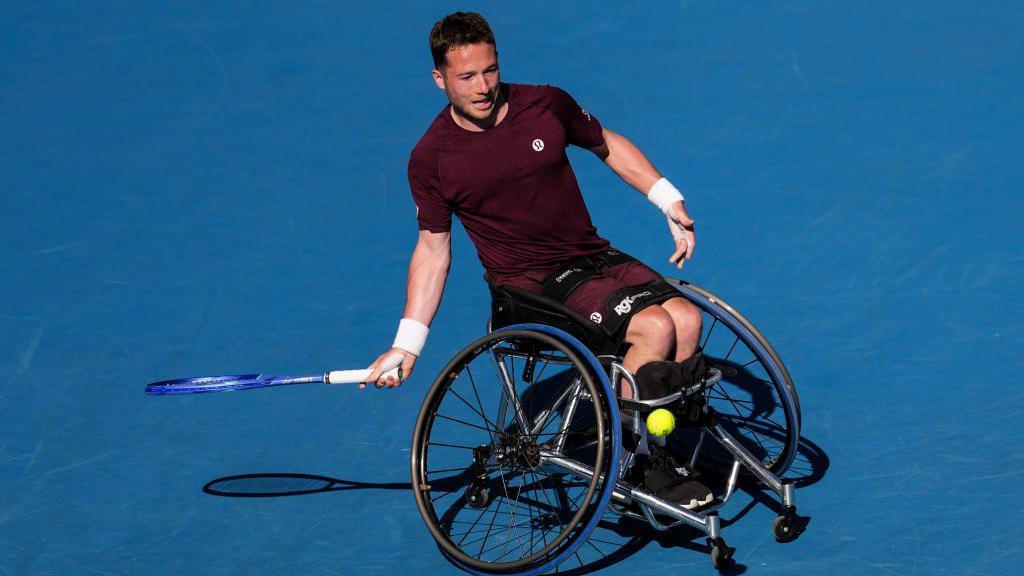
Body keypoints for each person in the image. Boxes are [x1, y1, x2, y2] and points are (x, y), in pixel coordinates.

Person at [365, 12, 711, 509]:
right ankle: (633, 460)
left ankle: (658, 441)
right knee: (654, 327)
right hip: (527, 286)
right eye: (467, 77)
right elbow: (433, 249)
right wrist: (408, 344)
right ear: (439, 79)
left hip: (591, 257)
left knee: (686, 317)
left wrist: (667, 198)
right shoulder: (433, 158)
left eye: (490, 71)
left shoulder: (546, 104)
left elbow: (606, 143)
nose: (483, 87)